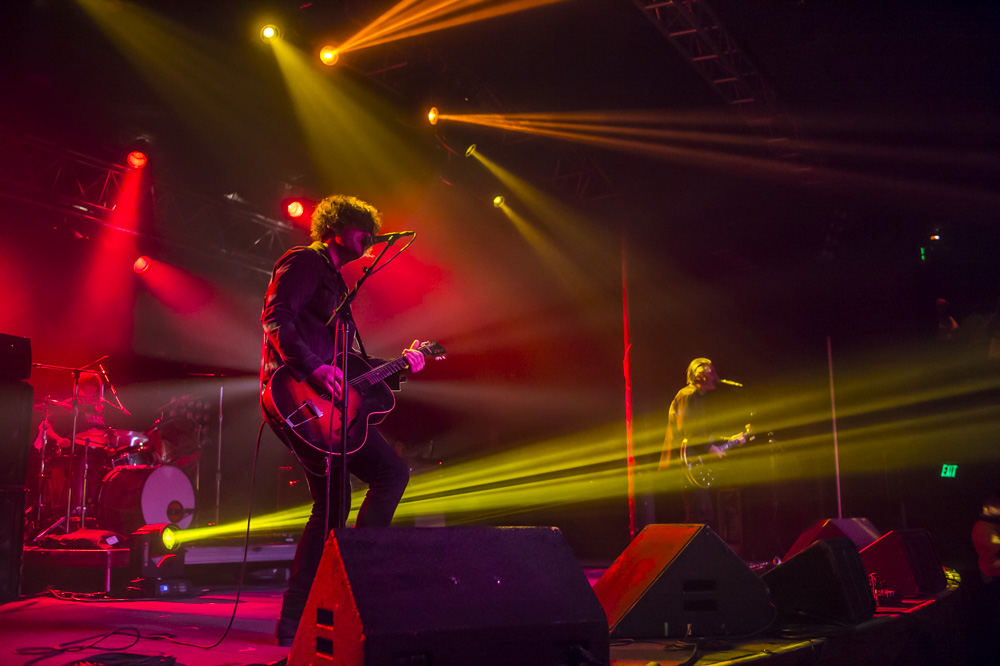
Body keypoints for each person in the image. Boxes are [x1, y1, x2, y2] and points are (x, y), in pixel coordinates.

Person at [260, 194, 426, 646]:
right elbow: (276, 319)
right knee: (358, 490)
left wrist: (403, 365)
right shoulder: (305, 261)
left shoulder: (335, 284)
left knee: (347, 497)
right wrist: (314, 368)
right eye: (361, 229)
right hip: (297, 395)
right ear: (336, 228)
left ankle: (317, 607)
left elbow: (350, 367)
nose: (370, 238)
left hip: (327, 406)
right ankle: (331, 596)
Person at [658, 358, 746, 528]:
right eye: (711, 372)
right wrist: (710, 448)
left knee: (704, 513)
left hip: (692, 465)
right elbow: (688, 430)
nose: (716, 376)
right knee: (698, 514)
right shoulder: (687, 395)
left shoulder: (698, 398)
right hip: (682, 465)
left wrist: (730, 440)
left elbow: (702, 435)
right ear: (699, 376)